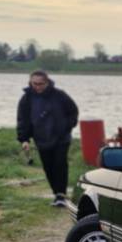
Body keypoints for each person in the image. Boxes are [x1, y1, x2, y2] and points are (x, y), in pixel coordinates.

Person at [16, 70, 79, 206]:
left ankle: (61, 195)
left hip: (61, 137)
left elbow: (73, 111)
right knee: (48, 166)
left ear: (47, 82)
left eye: (41, 84)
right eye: (35, 84)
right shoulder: (26, 99)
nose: (37, 86)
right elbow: (23, 120)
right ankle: (56, 193)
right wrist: (24, 139)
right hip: (41, 138)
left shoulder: (60, 95)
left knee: (60, 164)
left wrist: (67, 126)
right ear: (30, 82)